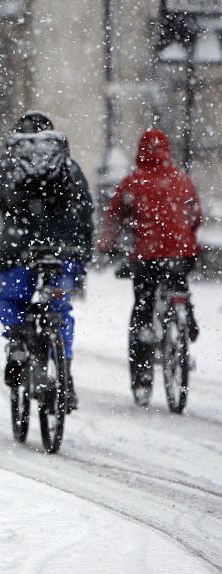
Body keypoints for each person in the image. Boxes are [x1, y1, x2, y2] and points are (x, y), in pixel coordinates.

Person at [0, 111, 94, 412]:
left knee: (11, 301)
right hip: (61, 253)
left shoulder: (6, 168)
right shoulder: (69, 168)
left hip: (18, 250)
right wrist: (81, 251)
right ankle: (65, 373)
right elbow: (85, 209)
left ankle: (19, 339)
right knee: (60, 310)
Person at [97, 128, 202, 403]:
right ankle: (186, 318)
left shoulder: (134, 182)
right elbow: (195, 214)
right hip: (182, 252)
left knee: (143, 303)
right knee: (178, 280)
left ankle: (142, 374)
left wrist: (107, 244)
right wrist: (185, 237)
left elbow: (114, 216)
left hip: (149, 255)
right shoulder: (182, 180)